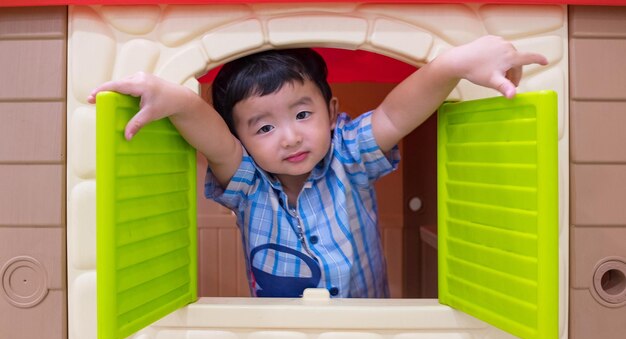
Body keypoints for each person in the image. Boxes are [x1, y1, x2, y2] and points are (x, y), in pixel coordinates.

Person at [88, 35, 547, 298]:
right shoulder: (248, 183)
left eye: (303, 115)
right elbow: (215, 140)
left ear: (331, 110)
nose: (289, 136)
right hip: (282, 337)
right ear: (242, 138)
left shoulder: (348, 156)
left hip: (367, 328)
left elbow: (394, 113)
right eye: (263, 128)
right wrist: (175, 100)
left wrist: (453, 65)